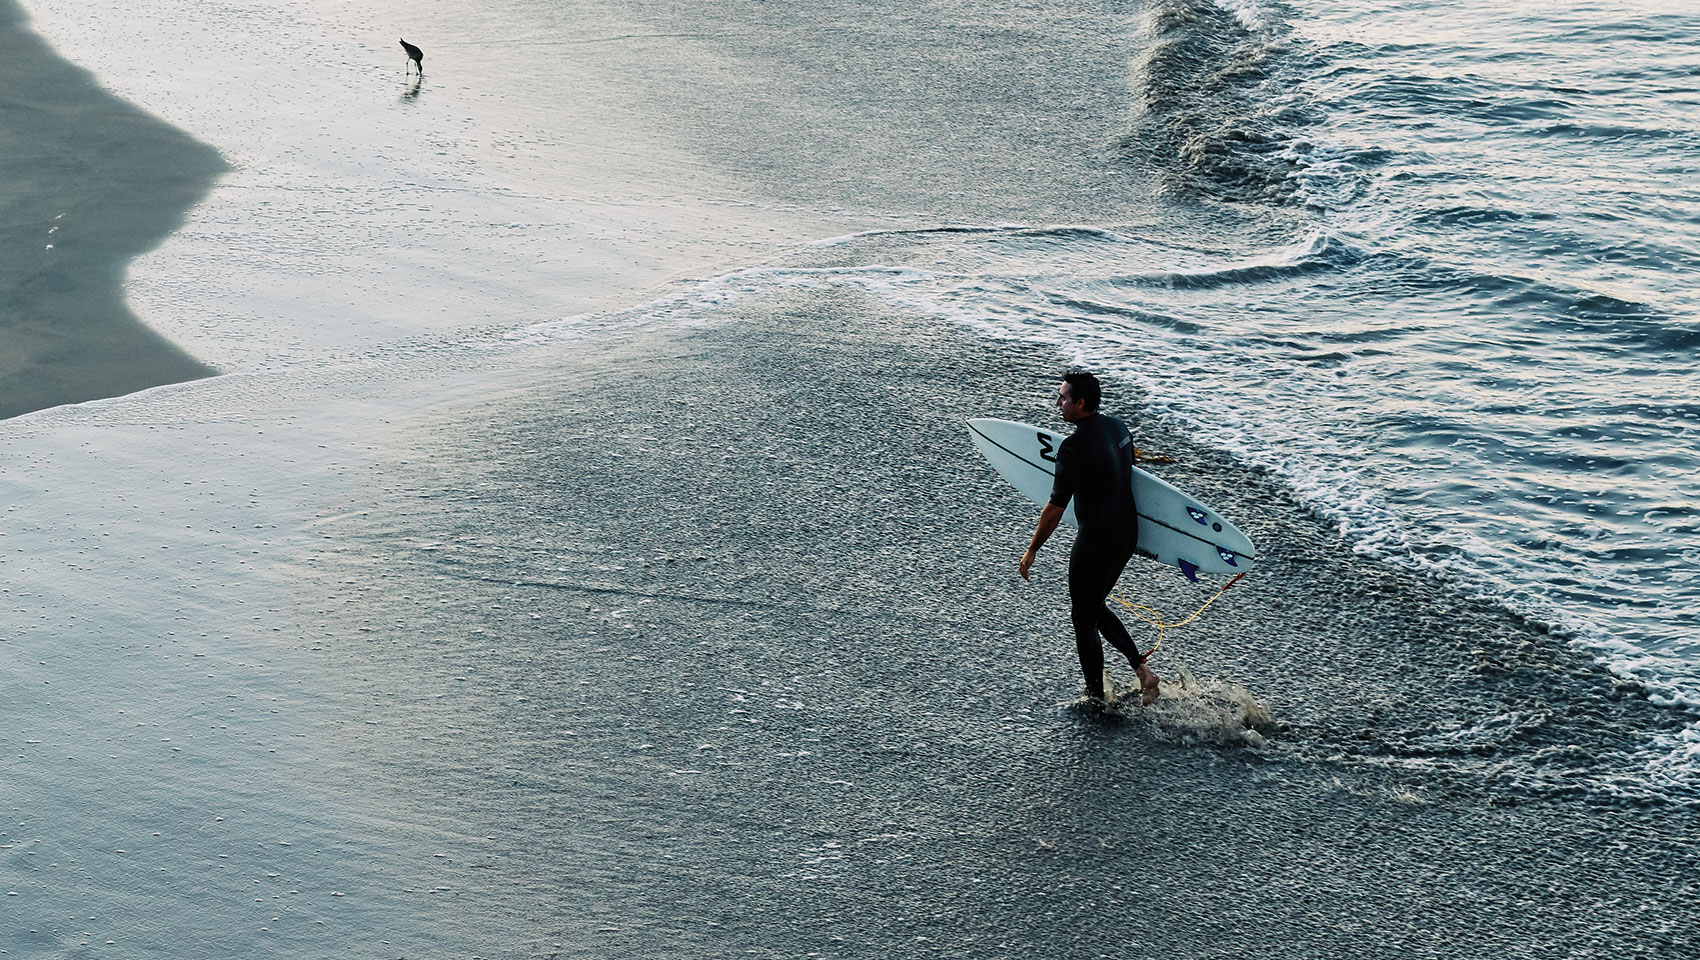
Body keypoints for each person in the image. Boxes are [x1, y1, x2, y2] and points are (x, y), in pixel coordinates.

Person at [1019, 371, 1160, 706]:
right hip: (1127, 534)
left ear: (1081, 402)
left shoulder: (1072, 448)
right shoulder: (1118, 427)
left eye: (1063, 397)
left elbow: (1054, 509)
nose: (1058, 403)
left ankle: (1096, 697)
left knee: (1083, 617)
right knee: (1093, 606)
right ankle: (1143, 672)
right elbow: (1131, 470)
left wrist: (1032, 549)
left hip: (1097, 540)